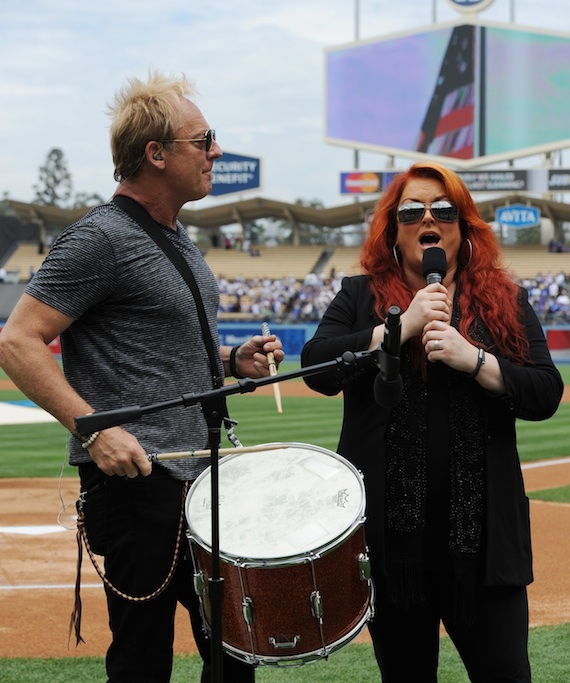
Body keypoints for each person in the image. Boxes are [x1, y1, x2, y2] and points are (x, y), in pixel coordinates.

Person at [0, 70, 283, 683]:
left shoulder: (180, 241)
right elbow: (18, 341)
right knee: (142, 660)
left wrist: (233, 363)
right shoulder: (99, 236)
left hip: (202, 482)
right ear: (155, 153)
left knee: (237, 653)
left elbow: (163, 347)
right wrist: (95, 431)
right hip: (137, 484)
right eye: (203, 139)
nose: (216, 152)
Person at [301, 161, 563, 682]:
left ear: (463, 227)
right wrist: (397, 328)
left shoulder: (506, 299)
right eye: (410, 212)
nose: (428, 219)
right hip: (392, 548)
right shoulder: (359, 295)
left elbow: (546, 391)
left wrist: (477, 361)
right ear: (392, 232)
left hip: (484, 544)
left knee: (507, 675)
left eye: (443, 210)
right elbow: (316, 367)